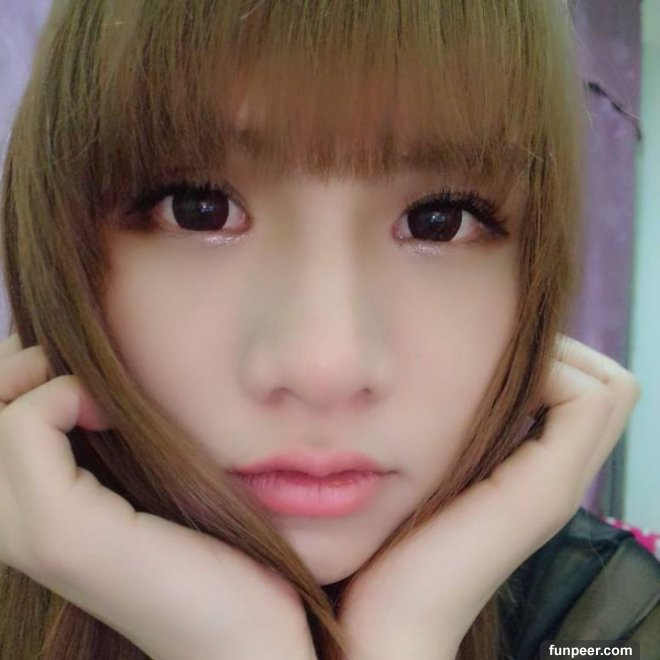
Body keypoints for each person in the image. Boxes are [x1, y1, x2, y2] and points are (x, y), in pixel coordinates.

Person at [0, 1, 655, 659]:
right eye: (200, 210)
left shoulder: (607, 619)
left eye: (439, 220)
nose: (326, 367)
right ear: (66, 245)